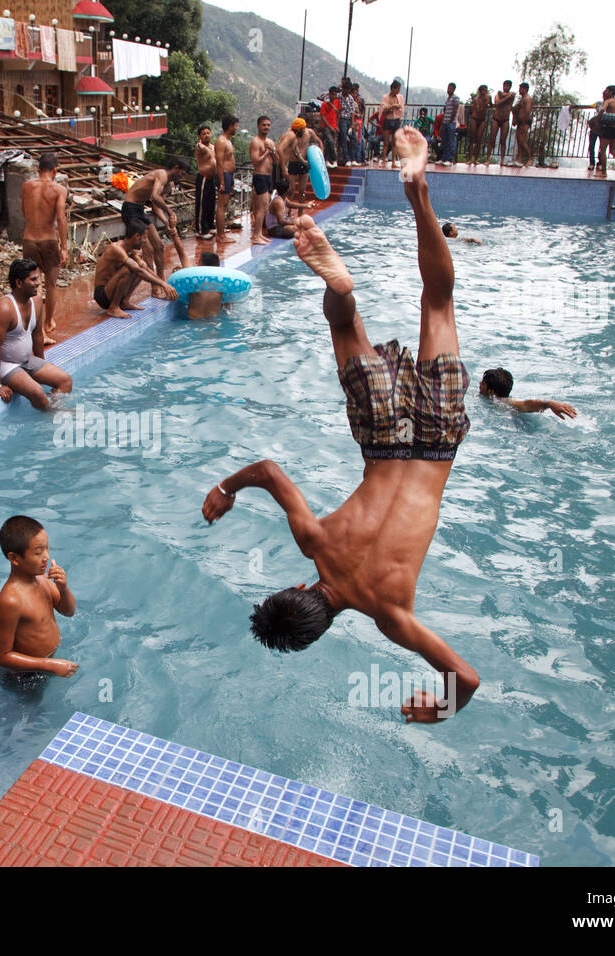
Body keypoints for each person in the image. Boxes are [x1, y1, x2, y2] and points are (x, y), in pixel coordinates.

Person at [202, 129, 480, 723]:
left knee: (438, 302)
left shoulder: (391, 616)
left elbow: (467, 678)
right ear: (298, 589)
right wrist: (226, 489)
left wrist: (444, 705)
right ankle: (344, 290)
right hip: (383, 443)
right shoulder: (315, 543)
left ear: (322, 626)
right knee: (344, 330)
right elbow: (271, 472)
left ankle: (420, 194)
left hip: (435, 444)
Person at [0, 515, 77, 677]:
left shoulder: (42, 580)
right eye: (38, 553)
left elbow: (69, 611)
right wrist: (49, 665)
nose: (46, 557)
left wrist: (63, 588)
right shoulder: (11, 601)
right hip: (24, 676)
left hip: (48, 664)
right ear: (14, 558)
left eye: (47, 548)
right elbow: (2, 657)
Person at [0, 258, 72, 411]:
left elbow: (38, 335)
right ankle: (52, 415)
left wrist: (41, 367)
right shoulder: (5, 309)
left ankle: (53, 408)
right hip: (6, 365)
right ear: (19, 283)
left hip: (26, 360)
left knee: (65, 381)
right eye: (33, 279)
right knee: (37, 392)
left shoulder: (37, 301)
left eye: (38, 278)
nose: (39, 283)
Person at [19, 151, 69, 344]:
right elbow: (61, 218)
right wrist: (64, 247)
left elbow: (25, 212)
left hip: (29, 239)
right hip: (49, 240)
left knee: (34, 286)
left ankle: (39, 331)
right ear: (55, 170)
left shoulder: (26, 186)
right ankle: (48, 322)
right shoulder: (58, 190)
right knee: (51, 284)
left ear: (38, 169)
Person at [121, 158, 189, 294]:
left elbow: (156, 207)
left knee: (159, 246)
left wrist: (167, 222)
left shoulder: (168, 185)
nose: (181, 178)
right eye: (182, 174)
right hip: (130, 208)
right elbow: (154, 196)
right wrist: (170, 211)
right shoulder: (162, 174)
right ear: (176, 168)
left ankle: (161, 280)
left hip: (139, 209)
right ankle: (155, 287)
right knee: (148, 250)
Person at [91, 221, 178, 318]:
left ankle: (124, 302)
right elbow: (137, 271)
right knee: (128, 269)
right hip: (102, 295)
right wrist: (163, 284)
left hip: (110, 291)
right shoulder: (116, 249)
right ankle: (113, 307)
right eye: (144, 237)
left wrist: (163, 284)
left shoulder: (130, 250)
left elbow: (143, 268)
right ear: (136, 236)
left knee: (141, 265)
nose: (145, 241)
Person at [479, 367, 577, 418]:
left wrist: (548, 404)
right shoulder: (488, 398)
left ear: (491, 391)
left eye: (482, 383)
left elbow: (525, 405)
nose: (479, 384)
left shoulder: (503, 402)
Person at [278, 118, 323, 204]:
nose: (304, 130)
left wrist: (321, 157)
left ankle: (300, 213)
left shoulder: (309, 133)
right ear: (298, 129)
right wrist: (283, 167)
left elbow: (319, 142)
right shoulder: (291, 135)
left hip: (303, 162)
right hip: (292, 162)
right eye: (302, 129)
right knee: (291, 190)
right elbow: (281, 148)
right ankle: (288, 212)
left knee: (302, 191)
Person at [249, 115, 276, 246]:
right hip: (260, 176)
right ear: (258, 126)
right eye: (264, 125)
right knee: (261, 208)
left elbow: (276, 161)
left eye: (268, 125)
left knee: (265, 207)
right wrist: (266, 151)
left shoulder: (270, 142)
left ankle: (259, 234)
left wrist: (273, 151)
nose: (266, 127)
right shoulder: (255, 142)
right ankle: (255, 236)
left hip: (268, 176)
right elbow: (255, 162)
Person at [215, 115, 240, 240]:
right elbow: (219, 162)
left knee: (224, 204)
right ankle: (220, 235)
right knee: (222, 205)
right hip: (223, 175)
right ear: (230, 126)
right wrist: (222, 182)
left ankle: (222, 233)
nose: (236, 128)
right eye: (235, 125)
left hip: (229, 175)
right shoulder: (221, 141)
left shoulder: (228, 140)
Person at [181, 251, 226, 320]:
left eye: (198, 261)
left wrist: (176, 239)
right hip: (213, 322)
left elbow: (182, 255)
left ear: (202, 264)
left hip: (193, 321)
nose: (196, 263)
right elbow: (227, 306)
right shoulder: (222, 284)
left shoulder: (193, 279)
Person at [194, 125, 218, 239]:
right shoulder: (199, 146)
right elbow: (201, 148)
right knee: (202, 204)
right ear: (199, 136)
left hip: (211, 178)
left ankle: (209, 226)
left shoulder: (213, 147)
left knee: (211, 203)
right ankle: (200, 230)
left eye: (208, 133)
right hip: (203, 177)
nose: (207, 135)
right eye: (204, 133)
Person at [485, 80, 515, 165]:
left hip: (505, 119)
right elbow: (497, 103)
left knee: (503, 141)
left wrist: (506, 96)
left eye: (508, 86)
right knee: (492, 139)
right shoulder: (499, 95)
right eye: (505, 86)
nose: (506, 87)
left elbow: (511, 96)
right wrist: (506, 97)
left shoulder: (512, 95)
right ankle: (487, 159)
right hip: (496, 118)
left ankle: (502, 160)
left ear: (510, 87)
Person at [379, 80, 405, 165]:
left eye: (399, 89)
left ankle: (393, 161)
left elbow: (401, 107)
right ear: (392, 89)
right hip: (388, 119)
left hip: (396, 119)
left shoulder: (400, 97)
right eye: (397, 89)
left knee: (394, 142)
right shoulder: (386, 97)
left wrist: (394, 107)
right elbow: (384, 108)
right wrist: (393, 106)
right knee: (386, 142)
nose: (398, 91)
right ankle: (383, 160)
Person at [586, 87, 611, 170]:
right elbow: (588, 106)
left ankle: (600, 163)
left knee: (602, 147)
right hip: (595, 127)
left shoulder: (610, 104)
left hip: (604, 128)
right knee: (592, 145)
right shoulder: (598, 103)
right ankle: (591, 163)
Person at [437, 83, 461, 167]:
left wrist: (451, 121)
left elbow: (455, 109)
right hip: (445, 122)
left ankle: (449, 159)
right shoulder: (448, 99)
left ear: (454, 89)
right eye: (448, 88)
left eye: (450, 88)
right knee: (444, 141)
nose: (449, 90)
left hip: (451, 123)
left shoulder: (455, 98)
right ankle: (443, 158)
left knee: (451, 141)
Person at [511, 82, 533, 166]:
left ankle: (529, 158)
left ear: (525, 89)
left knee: (522, 141)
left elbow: (527, 111)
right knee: (519, 141)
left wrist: (523, 121)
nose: (519, 90)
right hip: (520, 122)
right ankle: (519, 159)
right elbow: (516, 109)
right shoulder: (522, 99)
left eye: (520, 88)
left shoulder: (527, 98)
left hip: (525, 122)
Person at [468, 85, 491, 165]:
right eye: (484, 90)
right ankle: (470, 158)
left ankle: (476, 159)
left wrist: (487, 104)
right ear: (480, 91)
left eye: (486, 90)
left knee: (479, 139)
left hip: (482, 120)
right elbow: (476, 110)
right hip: (475, 118)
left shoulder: (488, 97)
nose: (485, 92)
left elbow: (491, 105)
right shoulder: (476, 99)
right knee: (472, 139)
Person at [337, 81, 358, 166]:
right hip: (341, 119)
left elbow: (352, 112)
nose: (347, 91)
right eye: (345, 89)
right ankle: (347, 159)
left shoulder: (351, 98)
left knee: (354, 138)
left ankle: (353, 159)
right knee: (344, 139)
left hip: (349, 119)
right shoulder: (338, 97)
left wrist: (352, 124)